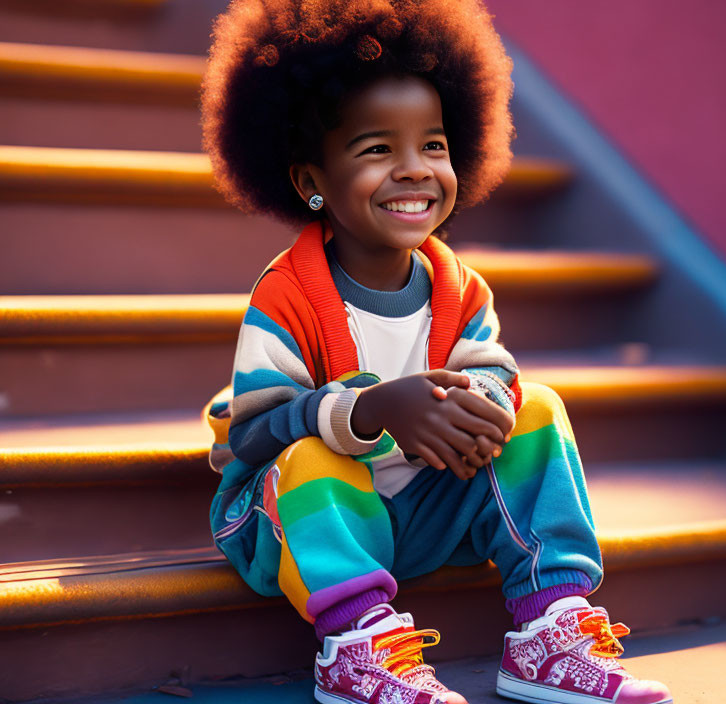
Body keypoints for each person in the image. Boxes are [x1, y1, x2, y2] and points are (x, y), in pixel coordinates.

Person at [200, 1, 672, 702]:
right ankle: (356, 647)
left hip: (415, 512)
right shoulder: (286, 296)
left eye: (434, 145)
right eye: (376, 150)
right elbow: (253, 433)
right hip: (295, 526)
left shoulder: (461, 289)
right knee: (309, 457)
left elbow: (494, 373)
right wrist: (375, 408)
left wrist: (474, 408)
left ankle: (547, 628)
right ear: (310, 182)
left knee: (536, 406)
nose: (415, 170)